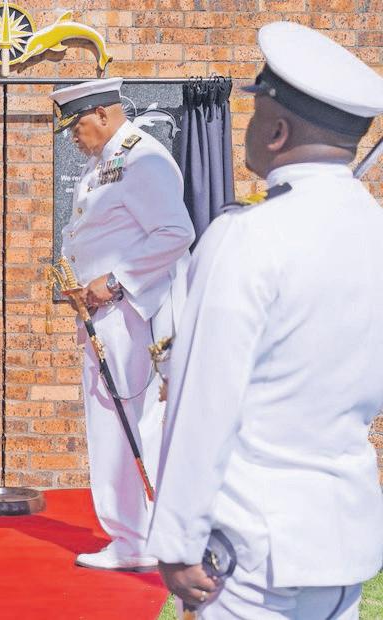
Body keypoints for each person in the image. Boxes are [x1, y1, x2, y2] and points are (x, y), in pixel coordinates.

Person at [146, 21, 383, 618]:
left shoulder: (245, 238)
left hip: (252, 554)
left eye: (255, 118)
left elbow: (204, 403)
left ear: (277, 132)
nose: (247, 132)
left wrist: (175, 542)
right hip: (343, 542)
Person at [50, 78, 195, 571]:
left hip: (128, 312)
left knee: (120, 423)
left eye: (77, 124)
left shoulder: (141, 158)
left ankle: (134, 540)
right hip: (109, 312)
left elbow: (177, 232)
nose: (72, 135)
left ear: (105, 115)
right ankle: (139, 534)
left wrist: (113, 282)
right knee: (121, 421)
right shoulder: (106, 162)